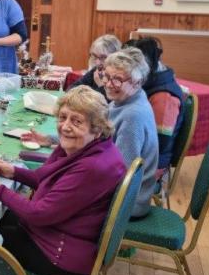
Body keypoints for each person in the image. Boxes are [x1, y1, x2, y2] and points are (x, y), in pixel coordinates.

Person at [0, 86, 126, 275]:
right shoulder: (91, 148)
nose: (65, 127)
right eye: (62, 117)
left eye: (77, 121)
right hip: (60, 232)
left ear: (97, 129)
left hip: (59, 254)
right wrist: (13, 172)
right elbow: (46, 179)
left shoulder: (92, 167)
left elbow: (39, 214)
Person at [102, 48, 159, 218]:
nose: (108, 84)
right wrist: (53, 139)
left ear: (137, 82)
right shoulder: (124, 100)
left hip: (127, 203)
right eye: (106, 76)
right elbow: (96, 133)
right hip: (120, 192)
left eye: (117, 79)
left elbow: (120, 173)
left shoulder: (132, 116)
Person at [126, 37, 184, 172]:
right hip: (138, 153)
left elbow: (159, 144)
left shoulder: (164, 98)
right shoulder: (150, 83)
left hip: (151, 165)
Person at [70, 34, 121, 98]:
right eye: (95, 56)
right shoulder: (97, 70)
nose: (97, 63)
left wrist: (101, 86)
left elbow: (106, 102)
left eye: (103, 57)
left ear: (115, 57)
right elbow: (71, 90)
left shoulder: (119, 77)